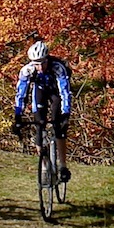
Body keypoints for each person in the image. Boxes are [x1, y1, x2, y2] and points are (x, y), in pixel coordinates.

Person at [12, 40, 73, 183]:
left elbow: (65, 92)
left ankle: (63, 166)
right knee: (39, 125)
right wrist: (17, 115)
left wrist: (66, 113)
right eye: (36, 63)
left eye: (42, 63)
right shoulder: (27, 70)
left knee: (59, 126)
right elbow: (21, 94)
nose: (40, 67)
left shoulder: (58, 67)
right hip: (40, 92)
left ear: (47, 59)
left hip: (55, 93)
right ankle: (45, 166)